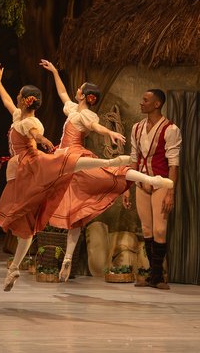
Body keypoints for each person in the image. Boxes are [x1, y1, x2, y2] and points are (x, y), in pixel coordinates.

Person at [0, 64, 132, 291]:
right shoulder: (29, 114)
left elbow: (89, 127)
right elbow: (18, 101)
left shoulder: (34, 121)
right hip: (27, 168)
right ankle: (15, 267)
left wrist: (109, 132)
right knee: (29, 222)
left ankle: (108, 164)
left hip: (37, 163)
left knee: (68, 167)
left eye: (19, 95)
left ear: (26, 100)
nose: (75, 90)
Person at [37, 61, 170, 282]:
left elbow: (96, 128)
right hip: (69, 163)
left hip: (71, 158)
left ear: (83, 95)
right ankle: (68, 257)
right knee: (76, 214)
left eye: (79, 88)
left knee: (110, 173)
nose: (76, 90)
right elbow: (61, 92)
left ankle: (142, 174)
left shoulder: (86, 115)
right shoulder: (72, 110)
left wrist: (109, 132)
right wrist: (53, 72)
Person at [130, 88, 182, 289]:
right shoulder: (136, 128)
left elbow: (173, 164)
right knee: (147, 229)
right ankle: (153, 275)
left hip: (160, 182)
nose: (141, 103)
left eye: (145, 100)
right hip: (141, 181)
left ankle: (158, 276)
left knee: (160, 229)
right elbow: (134, 159)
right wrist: (127, 188)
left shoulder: (170, 129)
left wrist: (171, 192)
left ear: (157, 104)